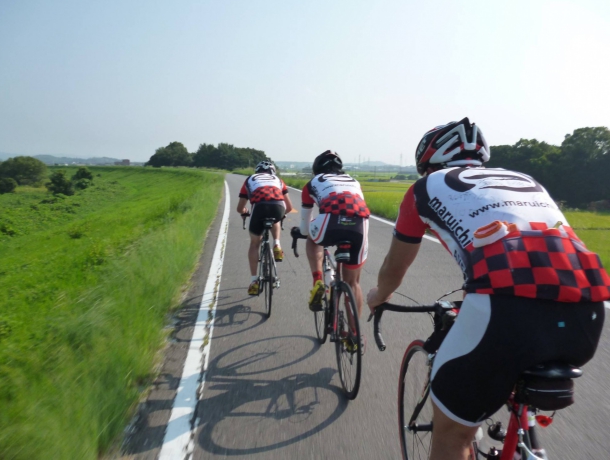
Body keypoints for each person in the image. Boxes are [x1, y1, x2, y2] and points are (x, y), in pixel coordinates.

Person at [367, 118, 609, 460]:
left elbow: (394, 268)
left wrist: (380, 296)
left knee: (453, 433)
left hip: (506, 310)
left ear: (428, 164)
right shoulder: (526, 180)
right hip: (590, 307)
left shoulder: (425, 188)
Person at [300, 150, 370, 321]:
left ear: (316, 169)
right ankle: (355, 336)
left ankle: (318, 280)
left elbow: (304, 227)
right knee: (353, 283)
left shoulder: (312, 183)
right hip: (359, 225)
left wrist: (303, 232)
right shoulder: (354, 181)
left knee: (311, 236)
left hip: (329, 222)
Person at [237, 161, 293, 295]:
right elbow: (289, 207)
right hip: (278, 207)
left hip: (259, 208)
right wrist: (281, 215)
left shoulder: (250, 179)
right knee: (276, 218)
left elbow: (240, 208)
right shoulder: (278, 180)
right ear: (272, 172)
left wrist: (245, 211)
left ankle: (254, 281)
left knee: (255, 244)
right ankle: (277, 245)